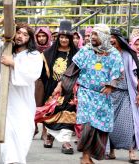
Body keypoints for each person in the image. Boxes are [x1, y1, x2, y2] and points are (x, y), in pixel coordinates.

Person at [0, 19, 43, 164]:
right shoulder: (5, 49)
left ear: (29, 39)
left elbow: (32, 74)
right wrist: (2, 20)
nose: (21, 36)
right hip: (6, 102)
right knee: (7, 137)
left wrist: (13, 63)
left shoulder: (34, 55)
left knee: (23, 133)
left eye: (25, 35)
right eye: (18, 32)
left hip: (24, 102)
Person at [72, 24, 124, 164]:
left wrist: (111, 86)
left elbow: (118, 73)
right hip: (86, 92)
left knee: (99, 127)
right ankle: (85, 157)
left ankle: (88, 156)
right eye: (92, 34)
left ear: (104, 37)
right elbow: (73, 70)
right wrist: (61, 86)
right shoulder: (85, 50)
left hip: (103, 97)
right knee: (88, 125)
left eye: (96, 34)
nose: (92, 37)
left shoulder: (114, 54)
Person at [107, 28, 139, 163]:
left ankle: (131, 151)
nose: (111, 40)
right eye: (109, 37)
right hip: (110, 95)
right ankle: (110, 151)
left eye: (114, 37)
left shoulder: (129, 54)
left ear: (119, 39)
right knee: (109, 124)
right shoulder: (106, 54)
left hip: (127, 95)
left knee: (129, 124)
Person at [42, 20, 78, 154]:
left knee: (68, 115)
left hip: (70, 89)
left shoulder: (77, 54)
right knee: (52, 113)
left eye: (66, 37)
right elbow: (43, 75)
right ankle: (50, 136)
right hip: (52, 88)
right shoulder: (48, 53)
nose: (64, 40)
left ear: (70, 39)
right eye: (61, 37)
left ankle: (65, 141)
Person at [34, 27, 52, 140]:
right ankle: (34, 127)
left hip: (49, 81)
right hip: (37, 81)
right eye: (39, 36)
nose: (41, 38)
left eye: (43, 36)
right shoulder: (33, 50)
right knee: (35, 105)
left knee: (47, 107)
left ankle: (45, 131)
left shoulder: (52, 49)